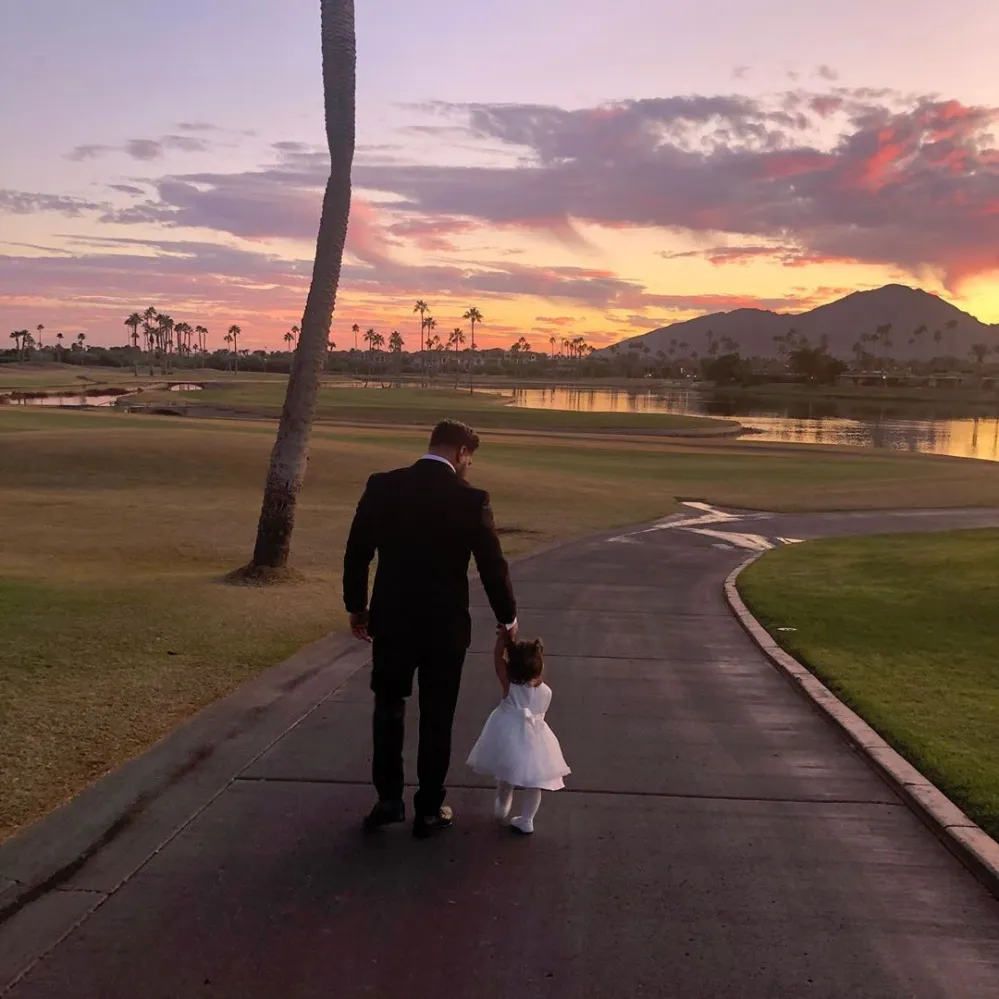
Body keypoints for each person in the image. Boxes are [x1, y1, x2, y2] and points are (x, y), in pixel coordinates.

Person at [343, 420, 518, 839]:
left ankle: (388, 800)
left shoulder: (383, 486)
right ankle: (428, 808)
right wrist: (507, 618)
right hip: (445, 625)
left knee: (389, 706)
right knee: (438, 714)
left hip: (392, 619)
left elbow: (357, 552)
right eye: (470, 459)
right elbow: (492, 566)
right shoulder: (471, 499)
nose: (469, 467)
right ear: (461, 453)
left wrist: (357, 607)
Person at [466, 630, 570, 835]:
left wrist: (503, 639)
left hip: (507, 734)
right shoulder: (547, 692)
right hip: (535, 738)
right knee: (535, 782)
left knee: (506, 772)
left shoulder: (510, 686)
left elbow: (497, 659)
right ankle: (527, 820)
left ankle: (502, 806)